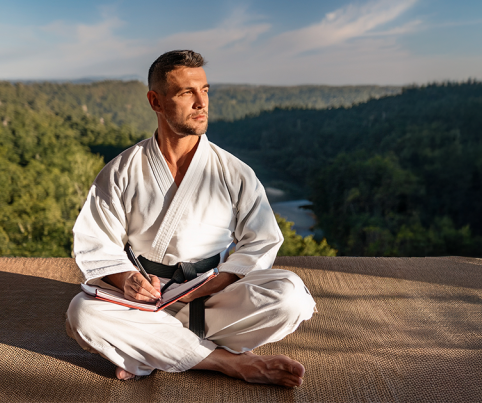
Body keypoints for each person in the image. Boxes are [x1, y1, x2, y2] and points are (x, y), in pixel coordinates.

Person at [66, 50, 315, 388]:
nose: (201, 103)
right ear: (156, 101)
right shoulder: (122, 171)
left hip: (214, 298)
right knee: (83, 314)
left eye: (206, 90)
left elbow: (263, 239)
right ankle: (226, 361)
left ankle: (148, 351)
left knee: (291, 296)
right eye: (187, 93)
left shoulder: (234, 172)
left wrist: (223, 280)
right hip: (145, 303)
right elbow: (95, 244)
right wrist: (127, 280)